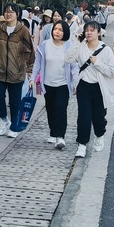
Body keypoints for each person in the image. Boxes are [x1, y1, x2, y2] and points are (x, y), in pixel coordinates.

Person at [66, 21, 114, 159]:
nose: (88, 33)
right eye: (86, 30)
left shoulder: (106, 50)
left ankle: (100, 135)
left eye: (92, 30)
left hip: (100, 88)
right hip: (84, 86)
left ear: (98, 33)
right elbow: (68, 58)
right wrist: (77, 42)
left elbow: (112, 72)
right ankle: (82, 145)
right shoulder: (81, 47)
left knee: (98, 117)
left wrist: (97, 62)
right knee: (83, 116)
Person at [0, 3, 35, 138]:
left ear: (17, 14)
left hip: (17, 72)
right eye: (6, 11)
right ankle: (4, 120)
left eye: (12, 12)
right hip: (0, 71)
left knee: (14, 102)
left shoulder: (23, 30)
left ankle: (14, 125)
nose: (8, 14)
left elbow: (30, 51)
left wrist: (29, 70)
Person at [29, 20, 78, 149]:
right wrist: (32, 78)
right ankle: (53, 132)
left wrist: (76, 82)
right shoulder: (44, 45)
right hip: (47, 84)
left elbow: (74, 67)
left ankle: (60, 137)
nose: (57, 32)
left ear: (65, 32)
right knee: (50, 109)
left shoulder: (69, 47)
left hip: (63, 84)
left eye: (60, 30)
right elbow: (38, 64)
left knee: (60, 108)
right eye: (55, 29)